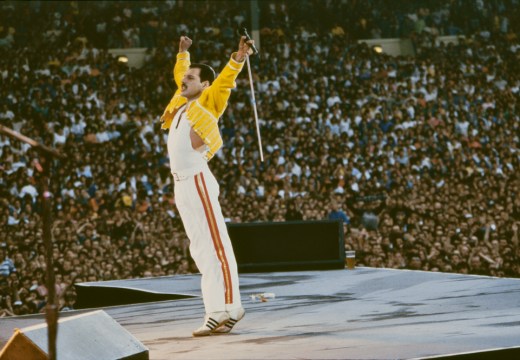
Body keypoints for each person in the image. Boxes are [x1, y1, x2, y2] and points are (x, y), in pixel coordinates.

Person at [160, 35, 254, 336]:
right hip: (181, 185)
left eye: (191, 78)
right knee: (200, 249)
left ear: (203, 86)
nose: (184, 80)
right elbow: (180, 76)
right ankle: (215, 311)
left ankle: (231, 306)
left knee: (217, 245)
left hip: (198, 179)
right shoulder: (180, 104)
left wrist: (238, 57)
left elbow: (224, 82)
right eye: (184, 78)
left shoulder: (207, 102)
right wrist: (183, 55)